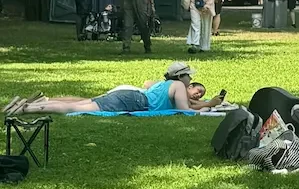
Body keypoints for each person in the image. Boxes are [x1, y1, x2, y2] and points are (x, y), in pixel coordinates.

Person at [10, 62, 222, 115]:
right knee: (77, 108)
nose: (190, 80)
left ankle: (32, 105)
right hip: (131, 101)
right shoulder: (176, 85)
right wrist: (206, 108)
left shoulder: (168, 83)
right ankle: (28, 110)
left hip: (130, 97)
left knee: (80, 103)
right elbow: (184, 111)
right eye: (188, 76)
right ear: (181, 76)